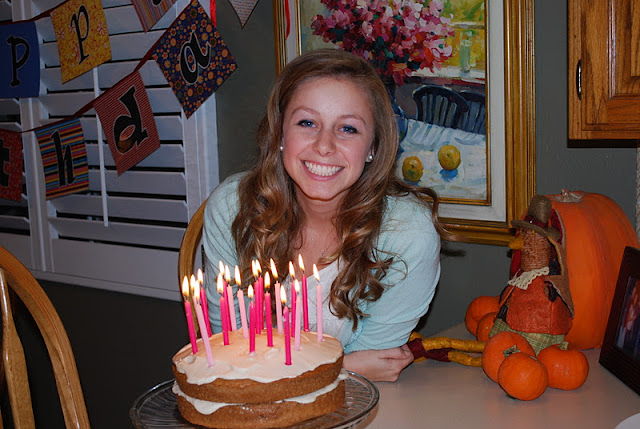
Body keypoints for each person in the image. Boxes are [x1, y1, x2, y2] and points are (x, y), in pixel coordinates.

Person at [202, 49, 450, 382]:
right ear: (280, 134)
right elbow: (230, 350)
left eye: (347, 128)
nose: (324, 146)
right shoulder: (233, 209)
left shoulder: (407, 233)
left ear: (373, 146)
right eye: (307, 123)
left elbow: (372, 365)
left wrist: (344, 370)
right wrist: (345, 366)